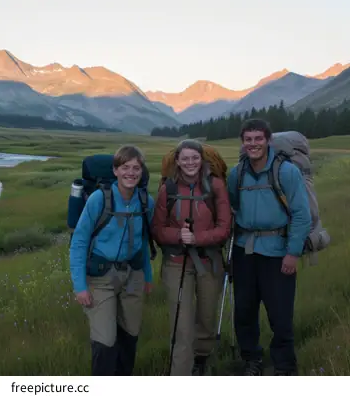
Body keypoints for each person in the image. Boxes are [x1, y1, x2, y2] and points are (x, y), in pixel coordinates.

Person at [227, 119, 311, 376]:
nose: (253, 144)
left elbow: (301, 215)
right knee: (244, 311)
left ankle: (285, 367)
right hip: (244, 252)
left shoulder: (286, 172)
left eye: (258, 139)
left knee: (280, 314)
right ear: (243, 142)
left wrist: (293, 253)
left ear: (268, 141)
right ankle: (252, 360)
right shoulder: (236, 174)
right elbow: (232, 210)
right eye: (248, 139)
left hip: (278, 252)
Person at [69, 145, 154, 376]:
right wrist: (80, 286)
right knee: (105, 340)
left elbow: (144, 241)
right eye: (125, 167)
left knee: (130, 335)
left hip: (133, 276)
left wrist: (147, 276)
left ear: (142, 171)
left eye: (136, 168)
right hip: (100, 278)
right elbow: (79, 243)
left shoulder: (146, 202)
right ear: (115, 170)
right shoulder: (99, 199)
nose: (131, 173)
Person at [151, 139, 232, 376]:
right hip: (176, 262)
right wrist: (179, 235)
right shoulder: (169, 189)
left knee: (206, 318)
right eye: (184, 158)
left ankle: (202, 360)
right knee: (182, 326)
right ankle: (180, 375)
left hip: (210, 261)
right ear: (177, 161)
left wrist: (197, 238)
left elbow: (224, 228)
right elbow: (157, 229)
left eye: (194, 158)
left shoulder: (215, 185)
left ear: (202, 159)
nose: (190, 163)